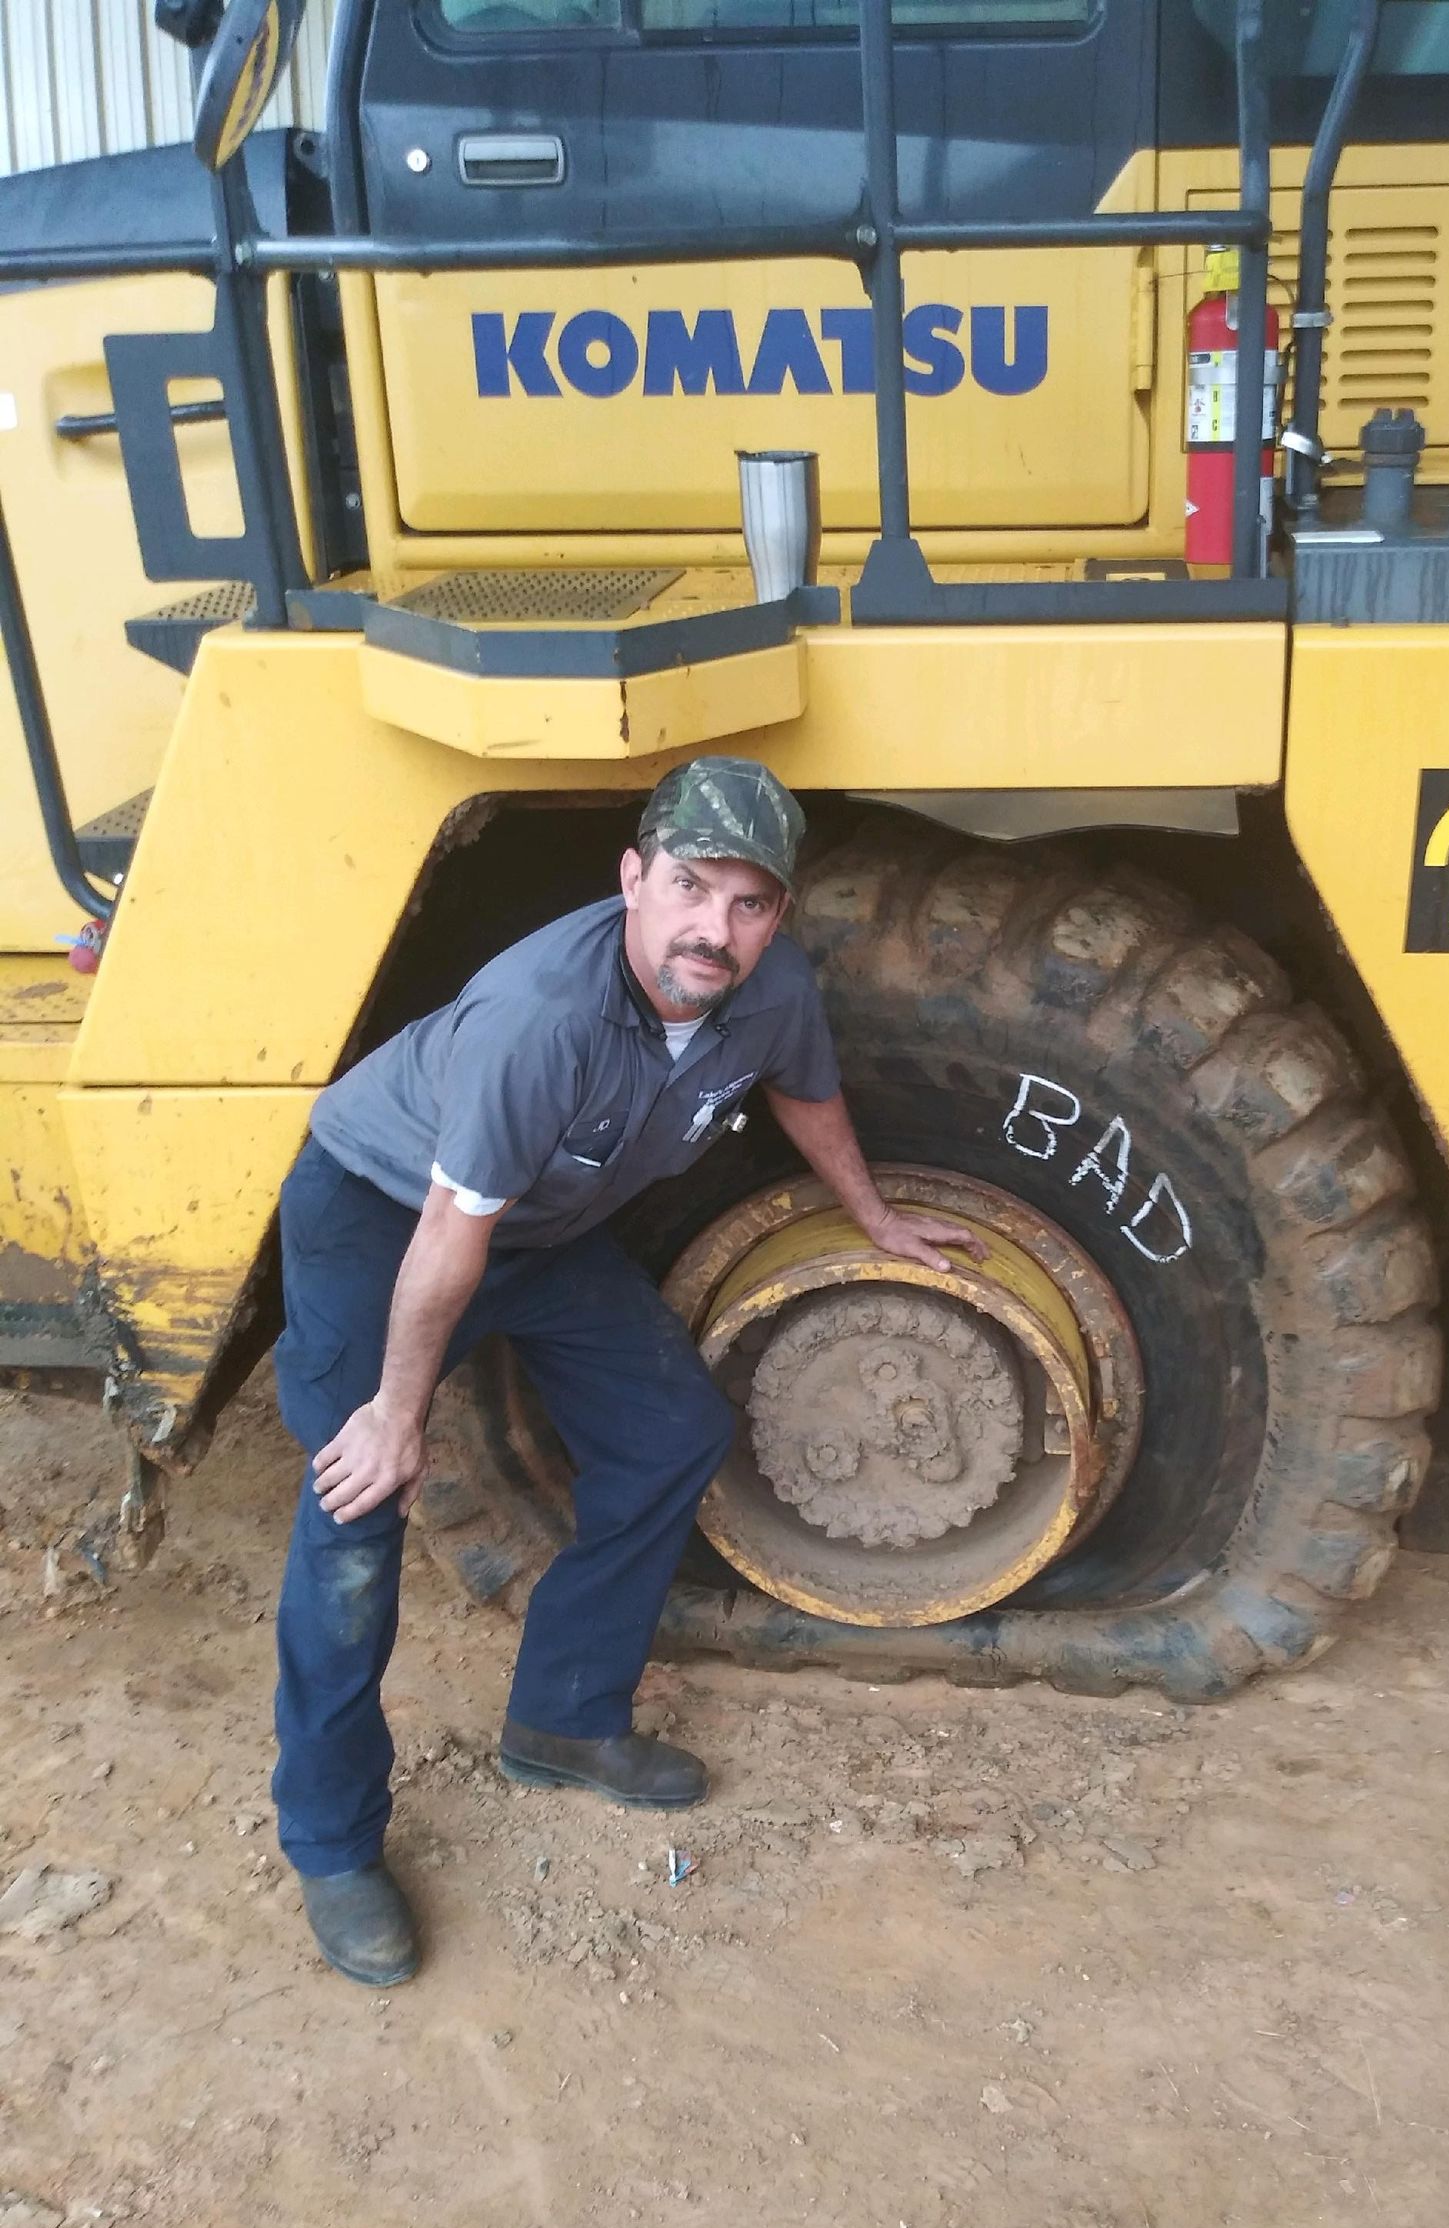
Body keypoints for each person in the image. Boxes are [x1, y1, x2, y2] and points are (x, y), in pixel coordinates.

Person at [270, 756, 972, 1988]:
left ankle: (564, 1716)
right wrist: (395, 1410)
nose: (716, 928)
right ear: (634, 876)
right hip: (385, 1217)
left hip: (538, 1229)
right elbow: (448, 1230)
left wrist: (873, 1216)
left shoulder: (767, 990)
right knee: (356, 1504)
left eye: (751, 903)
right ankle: (332, 1845)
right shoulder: (542, 1019)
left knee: (670, 1429)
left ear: (778, 917)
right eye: (692, 887)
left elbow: (807, 1091)